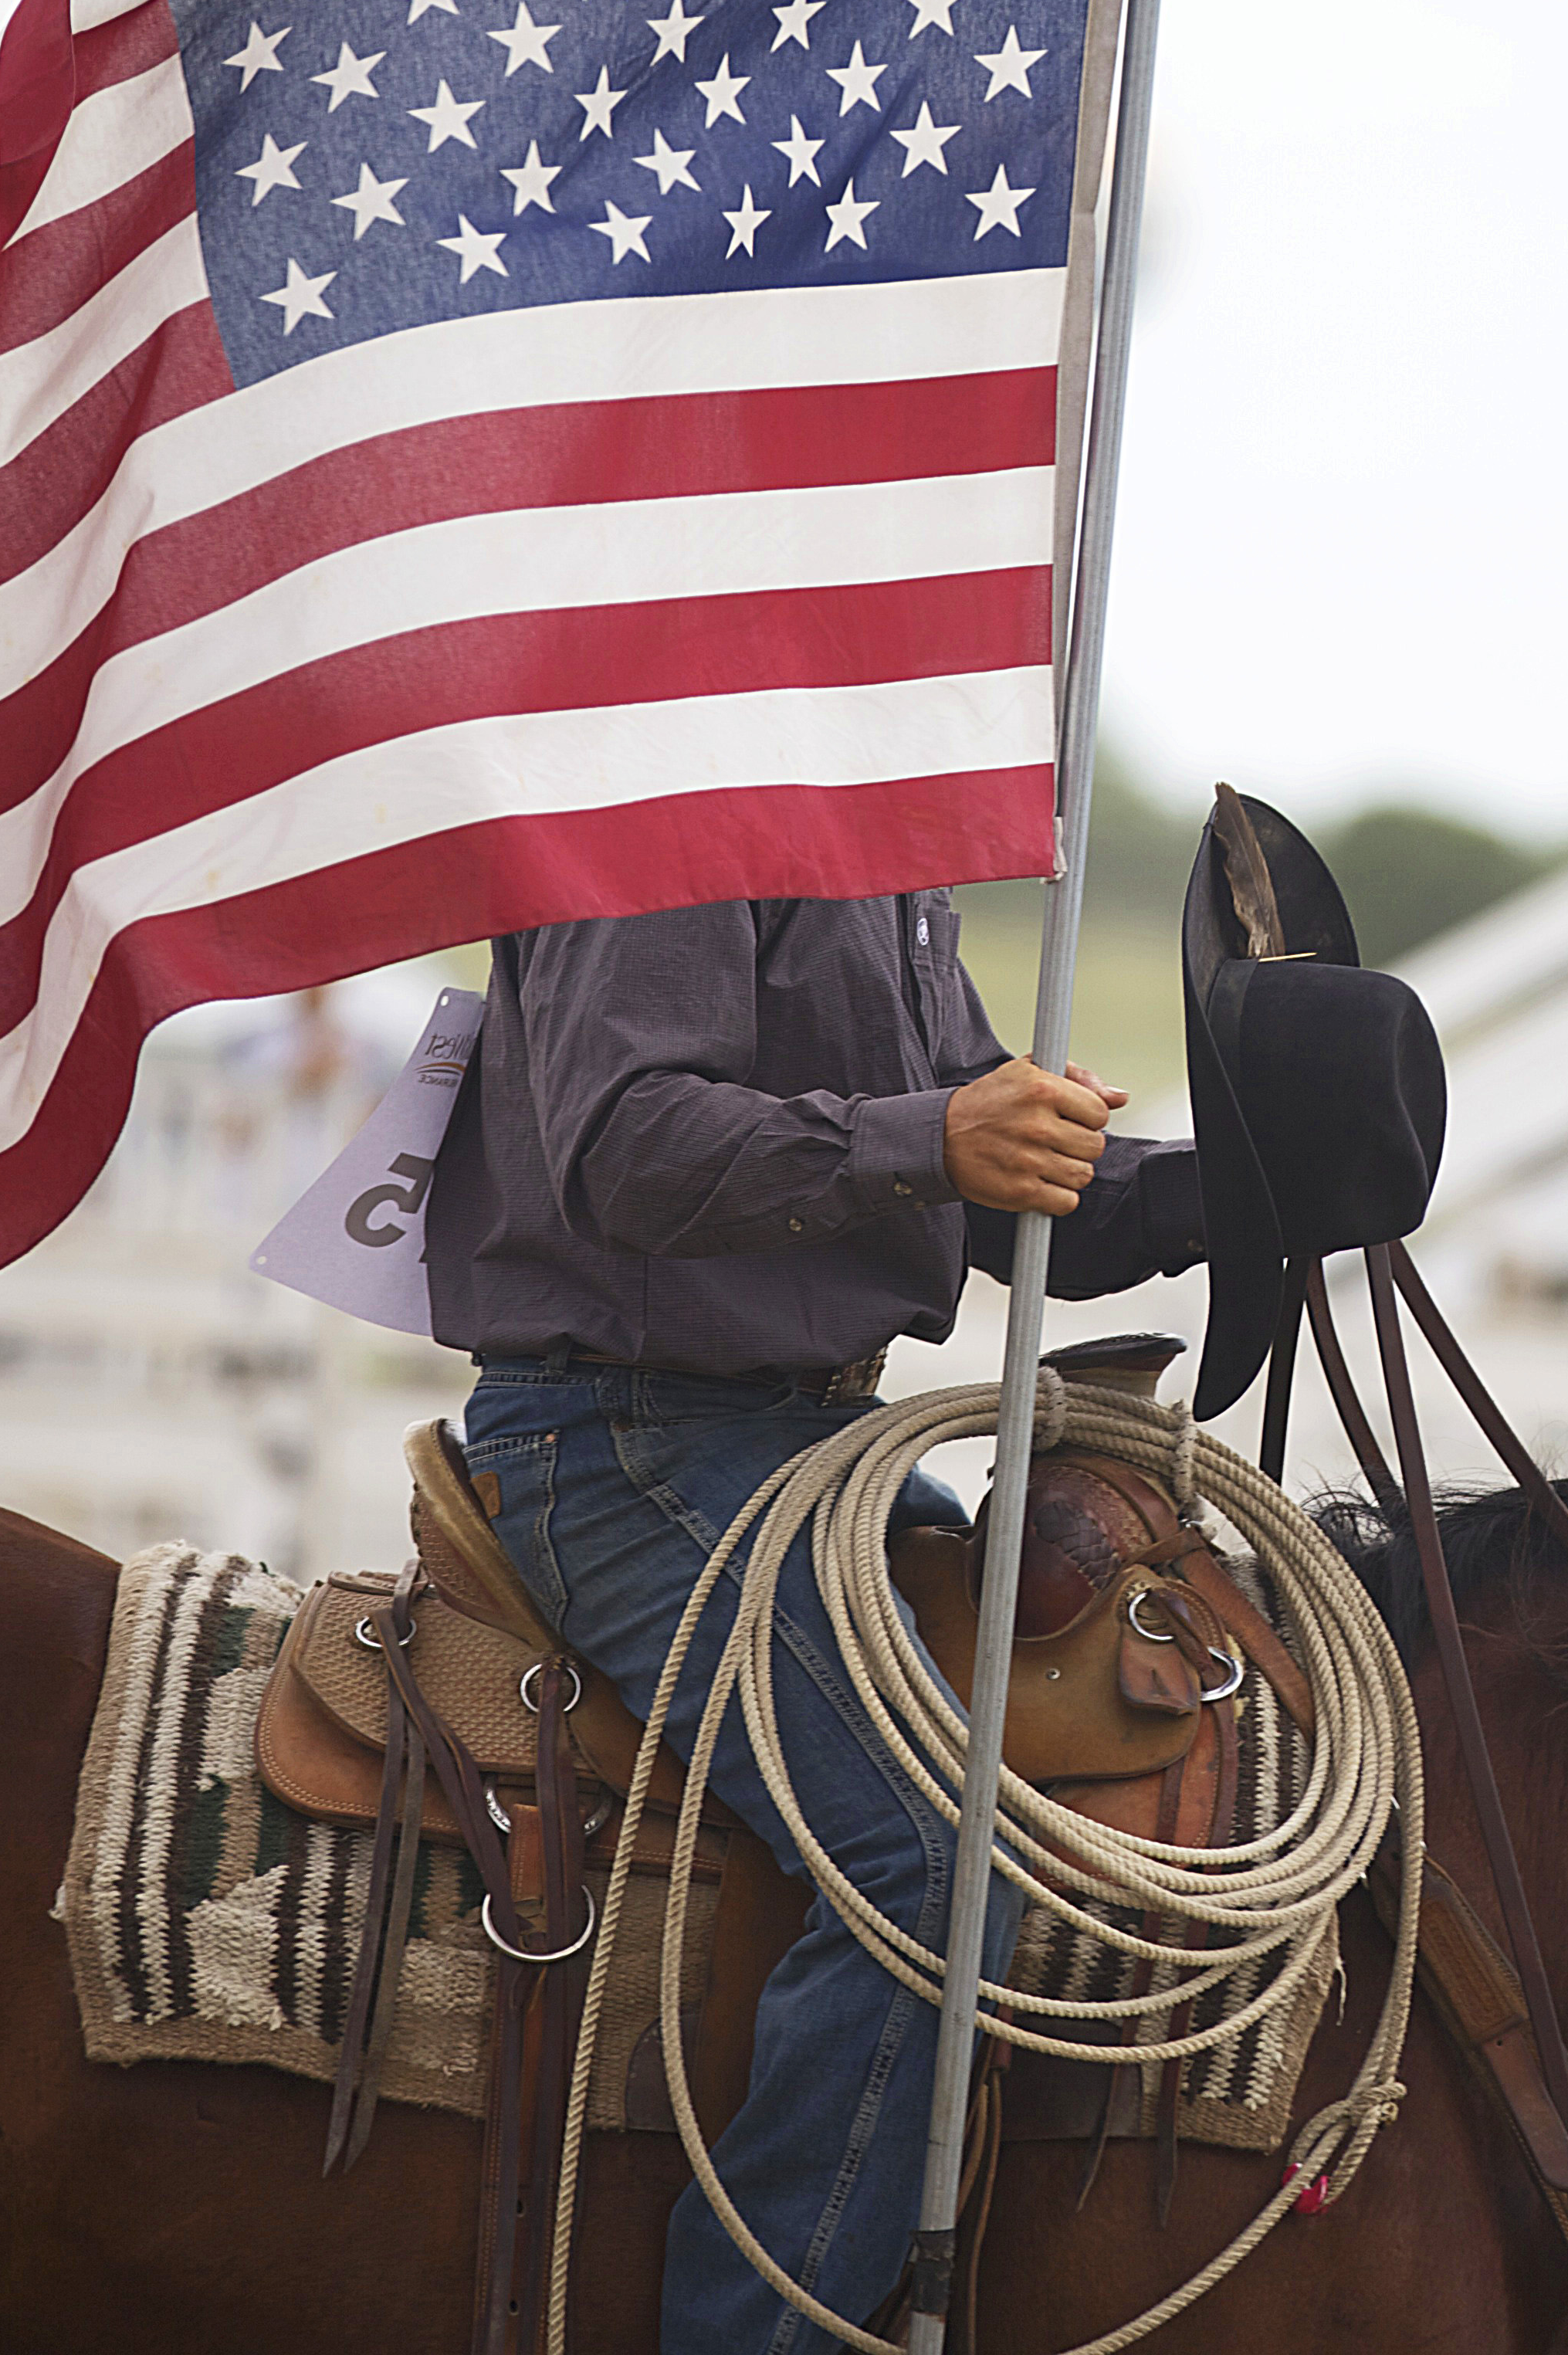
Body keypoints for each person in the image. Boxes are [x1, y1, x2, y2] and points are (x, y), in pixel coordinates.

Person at [423, 888, 1202, 2355]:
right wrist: (932, 1138)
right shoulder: (681, 787)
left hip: (803, 1448)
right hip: (623, 1440)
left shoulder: (877, 852)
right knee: (934, 1862)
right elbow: (625, 1142)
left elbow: (988, 1167)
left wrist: (1235, 1183)